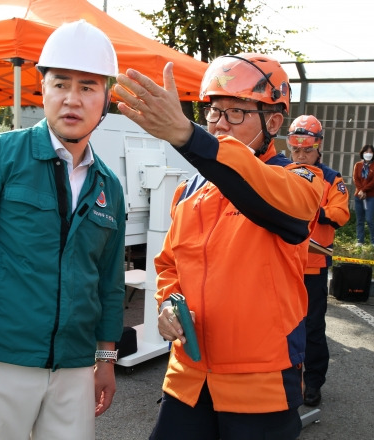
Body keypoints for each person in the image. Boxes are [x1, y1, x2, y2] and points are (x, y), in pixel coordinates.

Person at [0, 20, 126, 440]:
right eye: (60, 83)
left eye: (88, 87)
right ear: (43, 88)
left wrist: (105, 359)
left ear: (106, 97)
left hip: (73, 368)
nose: (72, 99)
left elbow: (108, 280)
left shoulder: (109, 186)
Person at [114, 54, 324, 439]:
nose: (220, 123)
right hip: (187, 379)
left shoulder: (300, 180)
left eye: (235, 113)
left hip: (259, 387)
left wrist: (189, 136)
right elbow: (170, 266)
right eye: (213, 112)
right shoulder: (188, 190)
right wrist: (166, 305)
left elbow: (276, 202)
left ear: (273, 122)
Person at [287, 115, 350, 407]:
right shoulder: (282, 171)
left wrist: (312, 208)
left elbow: (340, 214)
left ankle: (312, 383)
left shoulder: (331, 178)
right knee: (280, 324)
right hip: (283, 263)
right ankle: (283, 378)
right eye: (296, 149)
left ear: (318, 145)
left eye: (307, 149)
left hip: (313, 266)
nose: (301, 155)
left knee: (312, 327)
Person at [353, 144, 374, 246]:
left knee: (369, 219)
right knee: (359, 220)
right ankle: (360, 240)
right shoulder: (358, 165)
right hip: (359, 195)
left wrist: (364, 190)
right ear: (362, 153)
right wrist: (360, 190)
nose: (368, 154)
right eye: (366, 152)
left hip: (371, 196)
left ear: (373, 154)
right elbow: (356, 179)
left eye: (370, 152)